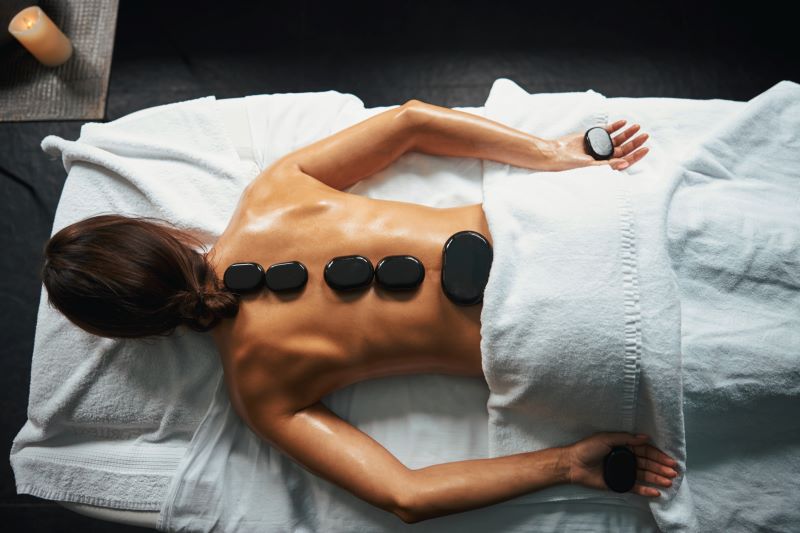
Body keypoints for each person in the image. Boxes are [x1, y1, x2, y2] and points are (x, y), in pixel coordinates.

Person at [41, 100, 677, 523]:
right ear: (158, 233)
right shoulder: (270, 195)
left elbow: (407, 495)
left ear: (142, 331)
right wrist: (552, 154)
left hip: (562, 338)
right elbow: (410, 122)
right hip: (563, 227)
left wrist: (566, 463)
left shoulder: (260, 392)